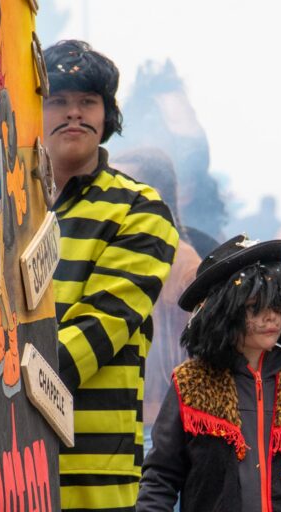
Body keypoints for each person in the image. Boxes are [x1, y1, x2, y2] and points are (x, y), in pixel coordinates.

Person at [44, 40, 180, 510]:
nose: (73, 113)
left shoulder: (139, 210)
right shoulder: (0, 204)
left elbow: (99, 328)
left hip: (92, 472)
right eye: (58, 100)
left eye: (88, 101)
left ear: (107, 117)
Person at [138, 235, 281, 511]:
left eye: (278, 306)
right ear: (224, 313)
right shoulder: (192, 382)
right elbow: (160, 478)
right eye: (255, 308)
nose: (271, 317)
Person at [112, 147, 203, 427]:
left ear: (155, 196)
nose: (110, 198)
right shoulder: (110, 252)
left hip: (160, 423)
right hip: (111, 418)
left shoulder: (184, 266)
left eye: (124, 189)